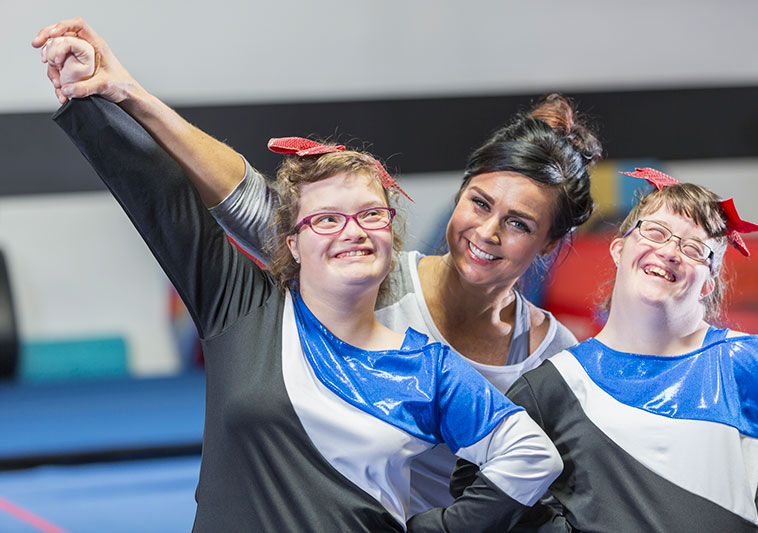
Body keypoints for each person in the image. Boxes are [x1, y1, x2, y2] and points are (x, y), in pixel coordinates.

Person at [33, 17, 601, 514]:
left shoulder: (551, 358)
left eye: (520, 224)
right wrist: (128, 93)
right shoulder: (371, 276)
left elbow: (561, 480)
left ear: (550, 245)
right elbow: (251, 200)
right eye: (479, 203)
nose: (487, 232)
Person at [453, 168, 758, 532]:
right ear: (619, 248)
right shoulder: (557, 384)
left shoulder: (747, 363)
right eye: (655, 232)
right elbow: (471, 480)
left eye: (695, 248)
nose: (670, 252)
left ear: (707, 284)